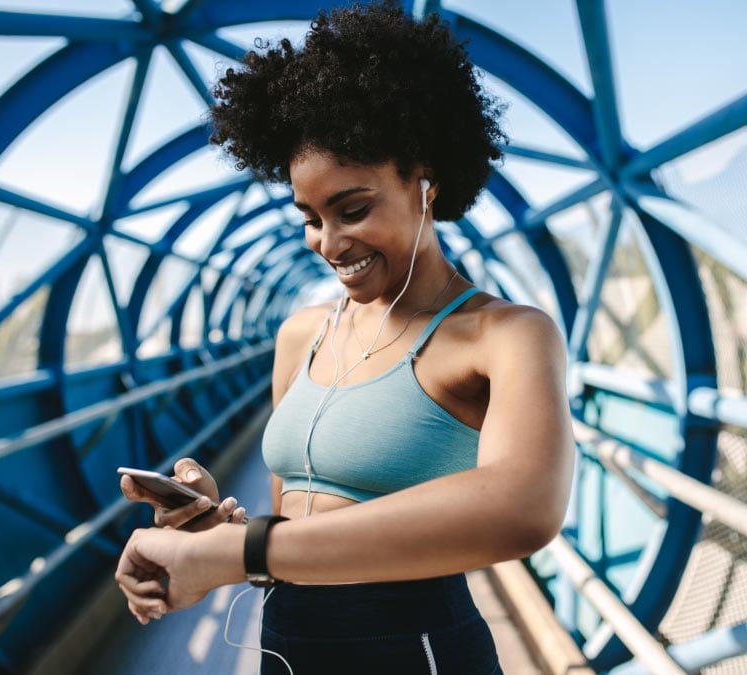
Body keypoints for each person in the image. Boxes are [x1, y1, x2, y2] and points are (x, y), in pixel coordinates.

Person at [116, 3, 575, 673]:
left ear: (426, 182)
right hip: (287, 645)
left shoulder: (503, 334)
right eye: (310, 217)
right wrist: (218, 530)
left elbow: (523, 507)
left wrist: (240, 554)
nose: (329, 244)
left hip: (416, 651)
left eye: (352, 209)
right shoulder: (301, 334)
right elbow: (293, 532)